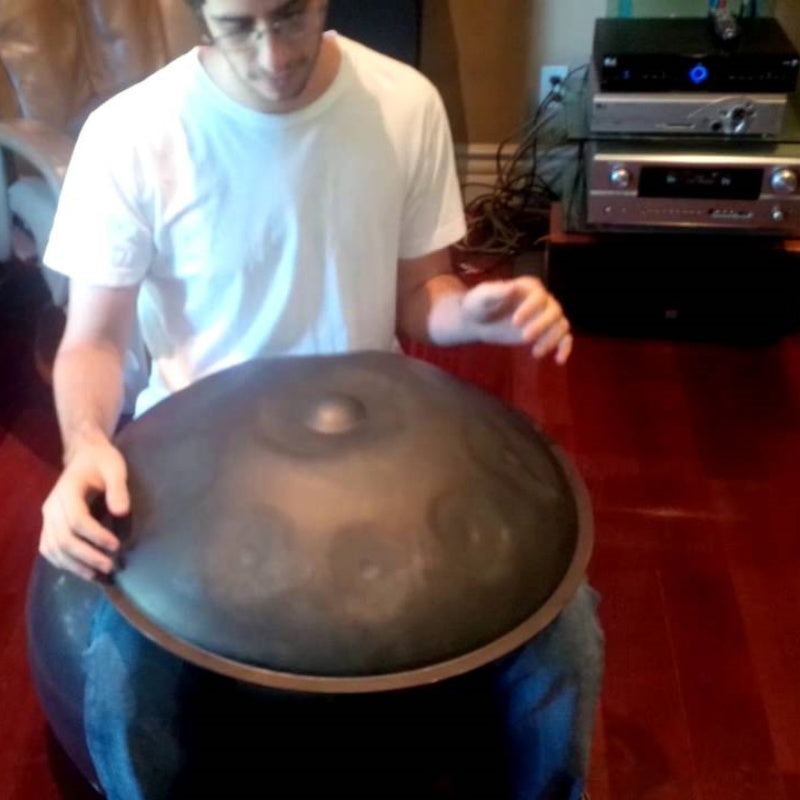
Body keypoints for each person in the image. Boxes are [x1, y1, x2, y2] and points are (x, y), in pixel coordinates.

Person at [37, 1, 604, 797]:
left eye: (290, 15)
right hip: (193, 470)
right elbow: (95, 341)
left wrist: (466, 312)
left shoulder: (402, 103)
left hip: (379, 452)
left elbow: (422, 292)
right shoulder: (129, 135)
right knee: (121, 674)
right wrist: (86, 444)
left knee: (565, 636)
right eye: (239, 25)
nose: (273, 54)